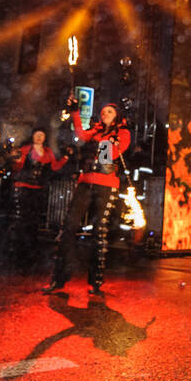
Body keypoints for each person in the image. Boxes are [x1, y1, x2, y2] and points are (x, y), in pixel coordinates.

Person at [42, 100, 131, 296]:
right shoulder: (95, 132)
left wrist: (101, 141)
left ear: (116, 115)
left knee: (100, 231)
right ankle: (59, 278)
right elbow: (80, 135)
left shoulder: (122, 133)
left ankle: (95, 281)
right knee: (69, 227)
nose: (105, 114)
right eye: (103, 112)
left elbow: (108, 156)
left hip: (106, 185)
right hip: (85, 182)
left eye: (109, 111)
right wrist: (75, 112)